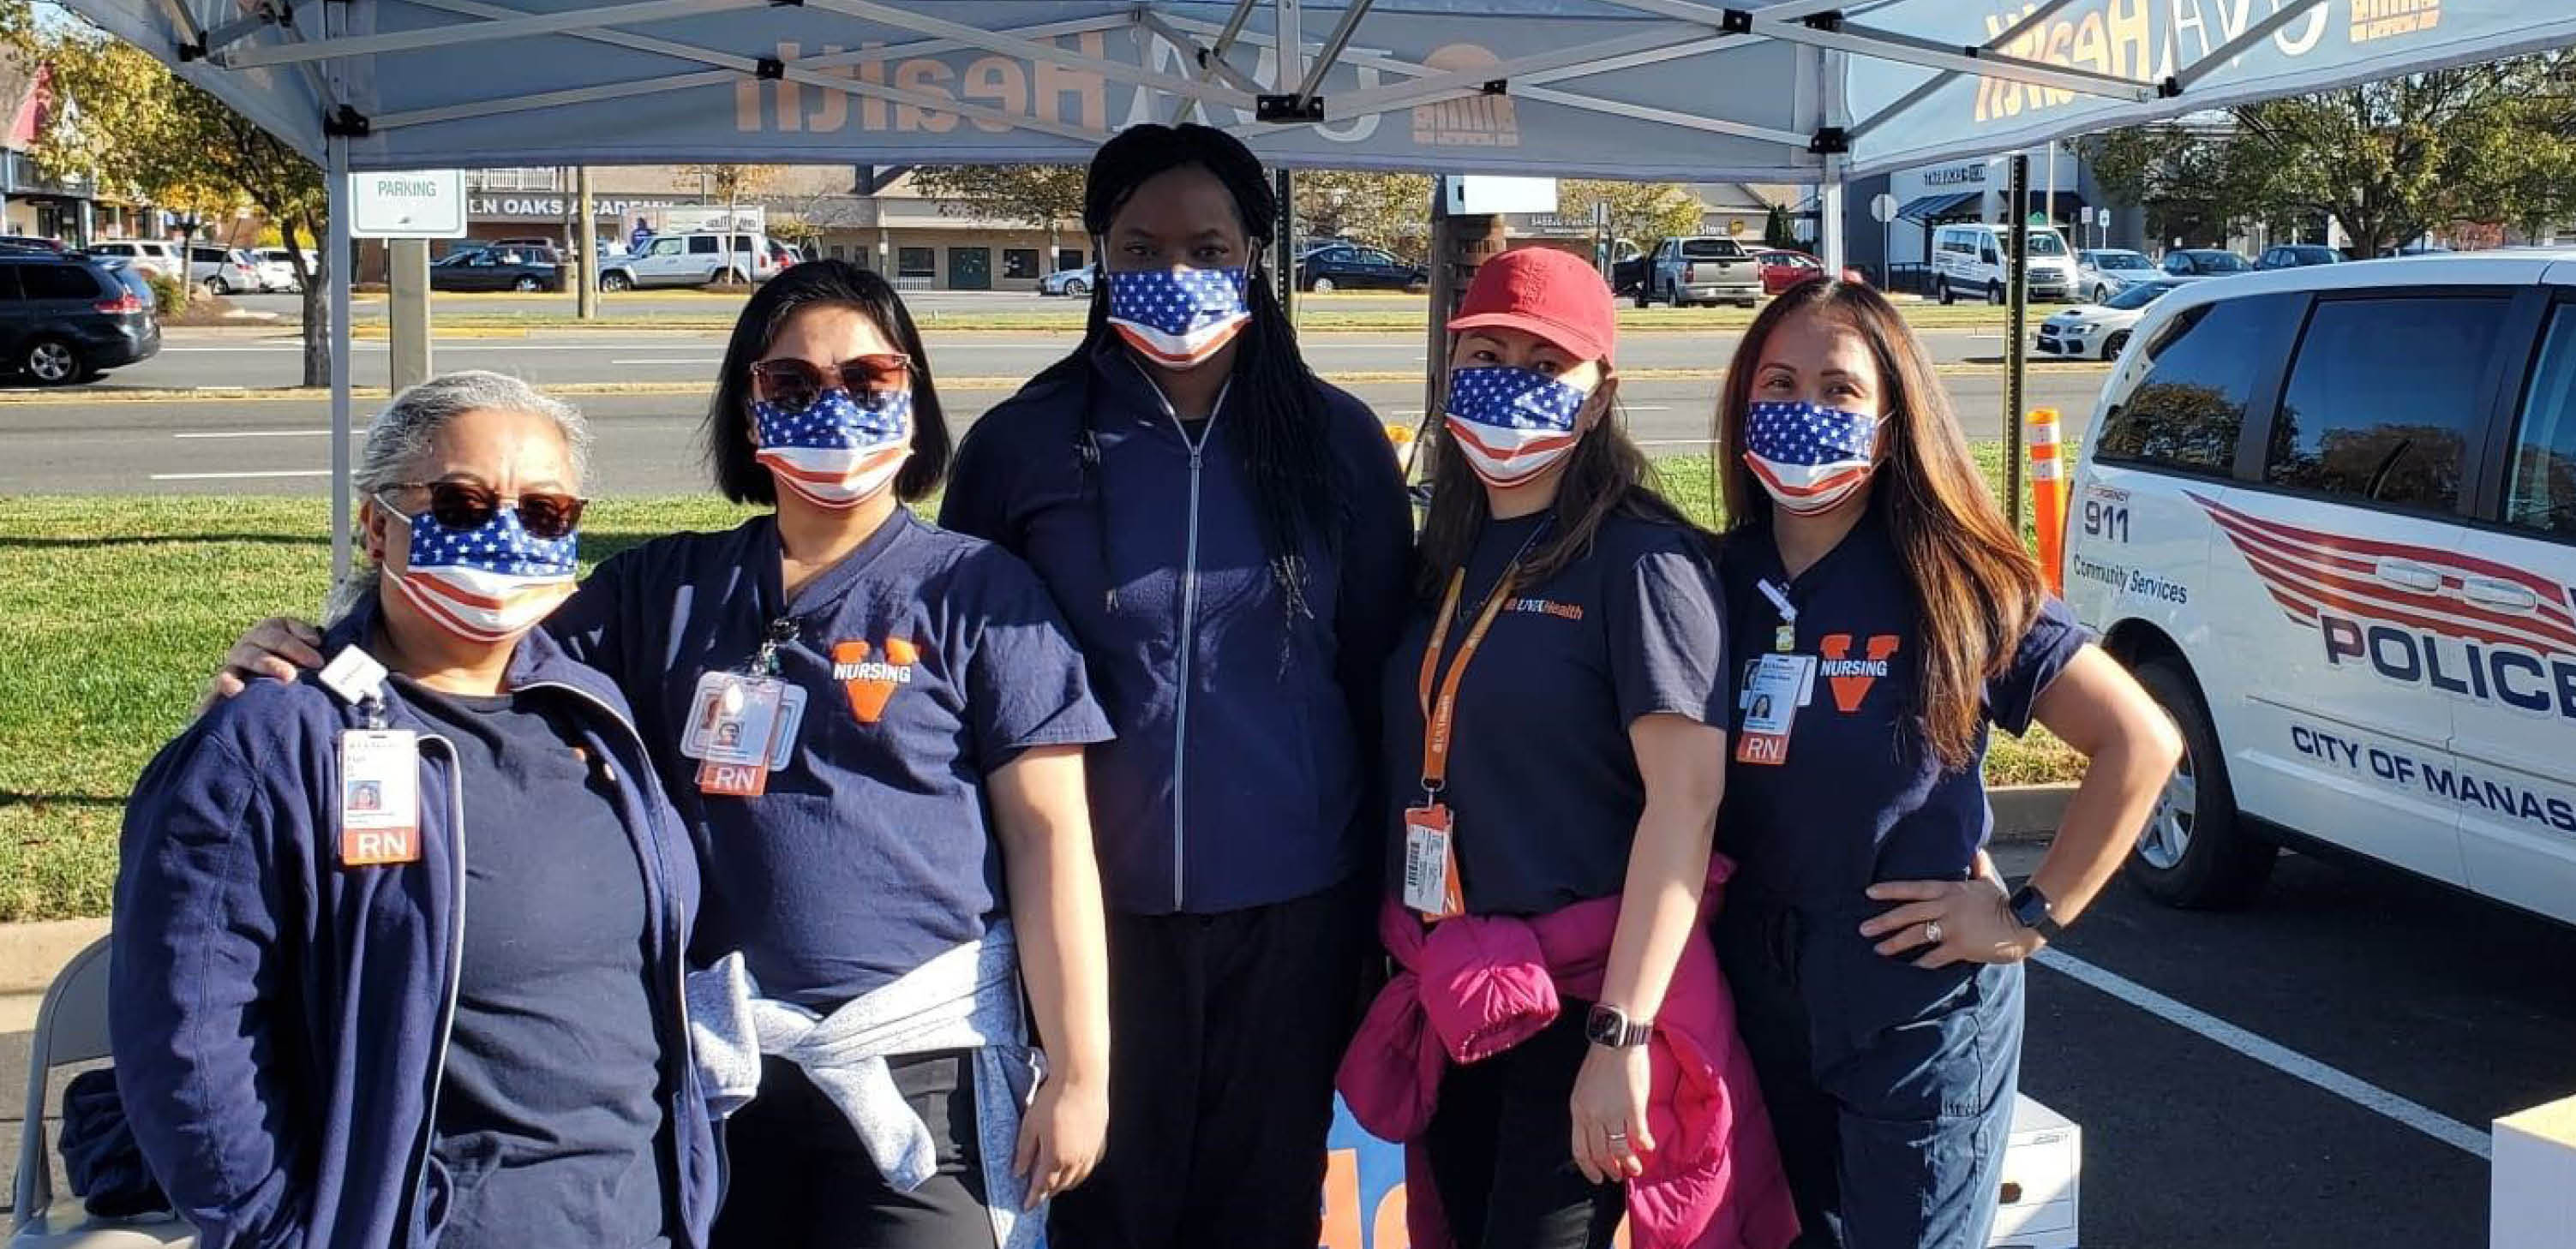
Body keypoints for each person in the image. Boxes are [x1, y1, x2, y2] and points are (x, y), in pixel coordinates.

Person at [207, 264, 1119, 1249]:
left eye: (868, 377)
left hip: (919, 1072)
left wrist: (1076, 1072)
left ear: (914, 394)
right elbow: (467, 640)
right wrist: (324, 652)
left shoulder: (982, 593)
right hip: (710, 1076)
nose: (835, 404)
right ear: (747, 407)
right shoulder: (663, 590)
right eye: (793, 383)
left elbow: (1050, 842)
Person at [940, 123, 1413, 1249]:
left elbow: (1380, 678)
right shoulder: (1021, 445)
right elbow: (966, 699)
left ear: (1256, 251)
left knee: (1262, 1215)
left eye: (1206, 245)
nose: (1174, 274)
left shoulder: (1339, 442)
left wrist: (1386, 910)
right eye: (1141, 247)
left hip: (1294, 913)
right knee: (1113, 1213)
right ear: (1100, 254)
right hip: (1093, 920)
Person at [117, 372, 722, 1249]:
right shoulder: (275, 739)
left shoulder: (589, 706)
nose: (506, 534)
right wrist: (281, 1236)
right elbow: (187, 1043)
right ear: (374, 525)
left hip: (640, 1221)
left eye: (545, 512)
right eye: (462, 502)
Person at [1708, 280, 2183, 1249]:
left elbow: (2140, 740)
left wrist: (2025, 917)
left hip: (1914, 1007)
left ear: (1891, 422)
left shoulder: (1955, 580)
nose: (1806, 412)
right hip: (1755, 995)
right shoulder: (1709, 578)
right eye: (1780, 383)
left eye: (1839, 391)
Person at [1334, 247, 1792, 1249]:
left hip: (1582, 1002)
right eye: (1487, 355)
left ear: (1598, 399)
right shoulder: (1445, 553)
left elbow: (1686, 805)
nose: (1511, 383)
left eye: (1547, 366)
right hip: (1459, 989)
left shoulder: (1642, 561)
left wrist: (1619, 1034)